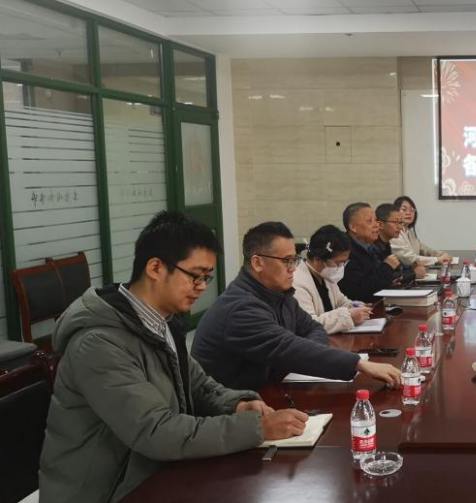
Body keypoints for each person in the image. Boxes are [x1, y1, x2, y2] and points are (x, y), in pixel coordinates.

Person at [39, 211, 310, 503]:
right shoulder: (98, 343)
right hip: (108, 491)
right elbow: (156, 431)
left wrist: (238, 404)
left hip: (154, 473)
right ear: (156, 268)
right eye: (195, 276)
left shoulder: (160, 322)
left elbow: (199, 385)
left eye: (207, 277)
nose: (202, 287)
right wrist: (257, 429)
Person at [192, 221, 400, 390]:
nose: (293, 268)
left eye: (294, 260)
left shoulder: (281, 295)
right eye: (287, 261)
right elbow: (287, 347)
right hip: (233, 408)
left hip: (268, 392)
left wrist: (308, 351)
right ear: (257, 263)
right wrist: (359, 364)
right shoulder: (240, 308)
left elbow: (313, 328)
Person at [293, 224, 373, 334]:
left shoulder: (326, 276)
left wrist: (357, 306)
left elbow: (342, 302)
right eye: (338, 263)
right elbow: (308, 324)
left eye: (344, 263)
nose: (341, 268)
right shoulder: (297, 282)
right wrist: (348, 316)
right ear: (317, 259)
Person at [338, 202, 406, 302]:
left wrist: (389, 282)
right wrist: (387, 267)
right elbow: (360, 289)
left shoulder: (370, 246)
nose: (376, 225)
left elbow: (375, 278)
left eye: (375, 220)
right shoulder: (345, 251)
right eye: (370, 221)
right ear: (353, 227)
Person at [391, 195, 452, 267]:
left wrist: (441, 254)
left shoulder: (408, 231)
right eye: (404, 210)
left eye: (411, 210)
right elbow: (409, 258)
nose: (408, 213)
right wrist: (437, 259)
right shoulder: (393, 234)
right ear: (395, 212)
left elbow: (423, 249)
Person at [375, 203, 427, 285]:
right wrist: (413, 273)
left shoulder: (386, 245)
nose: (400, 227)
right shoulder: (372, 247)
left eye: (401, 222)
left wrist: (411, 266)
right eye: (396, 222)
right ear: (380, 224)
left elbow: (395, 273)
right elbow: (382, 279)